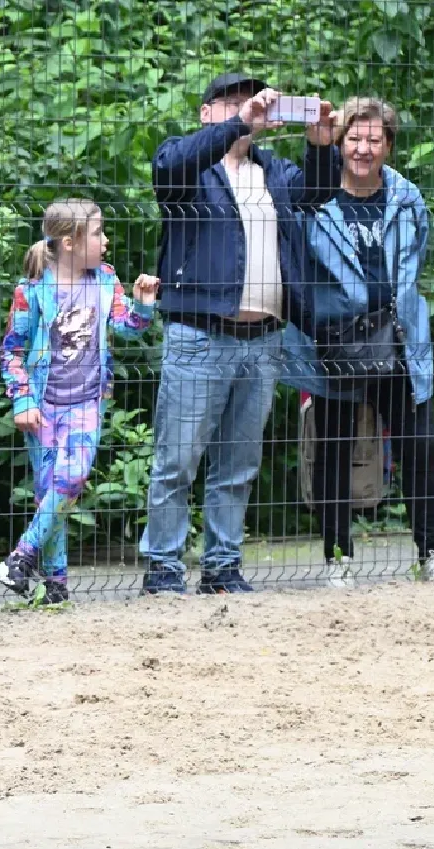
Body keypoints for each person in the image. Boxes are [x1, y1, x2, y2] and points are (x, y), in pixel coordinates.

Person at [140, 74, 342, 595]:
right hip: (199, 337)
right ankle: (163, 569)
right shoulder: (189, 166)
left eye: (251, 103)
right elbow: (167, 169)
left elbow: (318, 194)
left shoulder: (275, 170)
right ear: (206, 112)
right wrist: (238, 123)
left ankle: (222, 568)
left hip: (265, 340)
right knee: (177, 461)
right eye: (231, 102)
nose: (245, 109)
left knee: (238, 465)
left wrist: (321, 146)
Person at [282, 97, 434, 586]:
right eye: (354, 138)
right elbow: (298, 261)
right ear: (339, 143)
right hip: (335, 341)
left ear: (389, 146)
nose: (363, 148)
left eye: (374, 140)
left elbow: (416, 255)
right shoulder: (316, 195)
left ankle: (433, 554)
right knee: (334, 448)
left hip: (397, 340)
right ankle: (338, 558)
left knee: (419, 447)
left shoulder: (407, 196)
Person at [0, 200, 159, 605]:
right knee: (51, 492)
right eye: (98, 233)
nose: (106, 241)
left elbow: (128, 327)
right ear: (69, 242)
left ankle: (21, 557)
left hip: (87, 402)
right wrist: (23, 400)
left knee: (72, 478)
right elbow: (11, 351)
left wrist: (142, 304)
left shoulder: (106, 280)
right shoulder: (32, 290)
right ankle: (56, 586)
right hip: (43, 406)